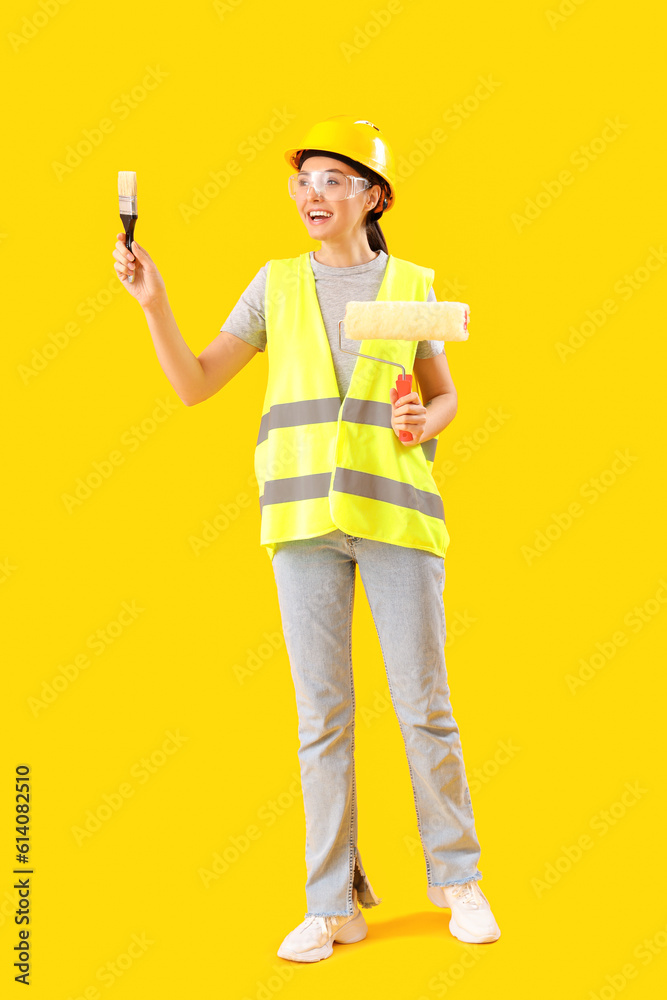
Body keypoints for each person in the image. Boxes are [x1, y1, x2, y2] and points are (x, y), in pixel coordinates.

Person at [111, 115, 501, 963]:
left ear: (373, 195)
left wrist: (417, 419)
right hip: (300, 525)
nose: (310, 195)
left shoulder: (413, 286)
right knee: (320, 718)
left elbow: (444, 400)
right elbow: (194, 383)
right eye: (301, 181)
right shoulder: (275, 284)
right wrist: (155, 303)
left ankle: (457, 879)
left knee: (423, 707)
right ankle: (332, 904)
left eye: (330, 180)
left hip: (396, 516)